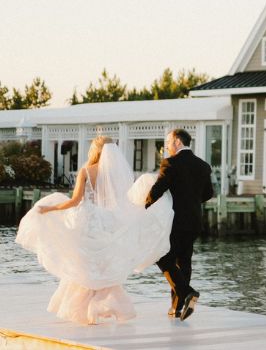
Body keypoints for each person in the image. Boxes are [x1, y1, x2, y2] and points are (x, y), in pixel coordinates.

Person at [16, 135, 173, 326]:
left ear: (95, 150)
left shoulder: (86, 171)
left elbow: (74, 201)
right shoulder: (116, 174)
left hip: (87, 221)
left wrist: (49, 209)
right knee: (100, 266)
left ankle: (87, 309)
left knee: (83, 265)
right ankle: (99, 306)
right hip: (107, 221)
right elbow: (123, 201)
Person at [144, 127, 215, 322]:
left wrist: (144, 206)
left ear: (177, 141)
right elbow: (209, 193)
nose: (166, 147)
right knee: (184, 261)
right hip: (195, 220)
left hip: (176, 221)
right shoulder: (203, 165)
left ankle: (187, 292)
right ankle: (177, 308)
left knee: (162, 256)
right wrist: (190, 201)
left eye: (168, 143)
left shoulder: (171, 163)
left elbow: (158, 188)